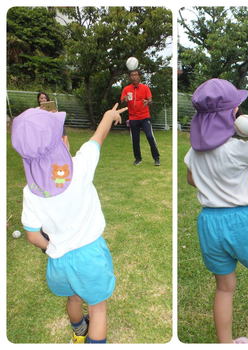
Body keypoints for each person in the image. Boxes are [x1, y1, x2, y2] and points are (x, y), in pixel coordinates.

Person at [11, 103, 128, 344]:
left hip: (59, 262)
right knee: (98, 309)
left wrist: (50, 248)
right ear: (65, 142)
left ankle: (78, 333)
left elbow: (33, 236)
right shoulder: (81, 165)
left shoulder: (30, 192)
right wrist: (109, 115)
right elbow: (99, 136)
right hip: (90, 257)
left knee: (74, 298)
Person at [184, 79, 248, 344]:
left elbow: (191, 179)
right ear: (231, 116)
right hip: (243, 219)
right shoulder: (239, 149)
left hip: (209, 223)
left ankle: (226, 344)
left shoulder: (194, 153)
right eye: (236, 110)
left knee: (224, 288)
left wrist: (212, 180)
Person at [120, 69, 160, 166]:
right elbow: (122, 104)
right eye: (132, 75)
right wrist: (124, 100)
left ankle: (156, 158)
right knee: (135, 139)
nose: (134, 77)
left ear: (139, 77)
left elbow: (150, 100)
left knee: (150, 137)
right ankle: (138, 159)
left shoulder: (145, 88)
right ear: (130, 77)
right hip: (133, 118)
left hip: (144, 117)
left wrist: (147, 102)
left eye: (135, 75)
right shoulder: (126, 89)